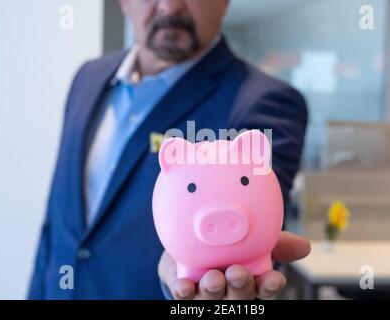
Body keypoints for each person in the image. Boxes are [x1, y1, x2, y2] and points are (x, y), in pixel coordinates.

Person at [28, 0, 310, 300]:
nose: (169, 7)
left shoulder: (265, 103)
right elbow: (56, 219)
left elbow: (259, 224)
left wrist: (187, 285)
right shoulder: (88, 78)